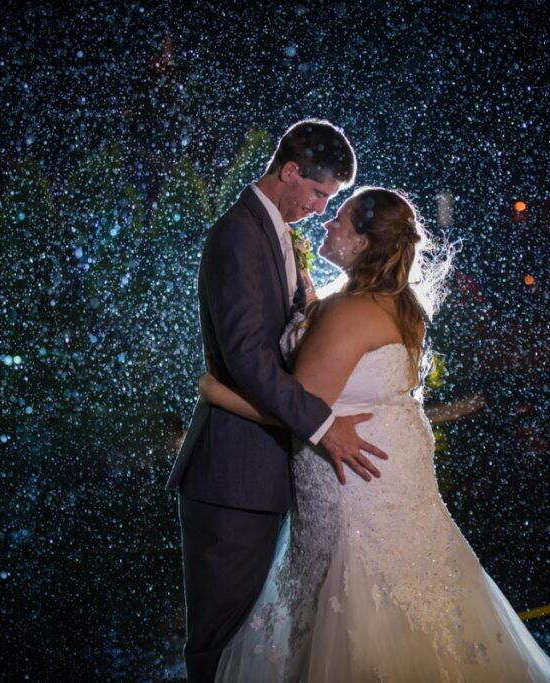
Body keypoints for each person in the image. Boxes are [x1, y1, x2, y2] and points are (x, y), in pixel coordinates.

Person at [200, 188, 550, 682]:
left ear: (362, 244)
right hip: (393, 478)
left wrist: (217, 394)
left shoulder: (347, 313)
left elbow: (300, 407)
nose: (328, 223)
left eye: (341, 219)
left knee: (354, 608)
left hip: (353, 476)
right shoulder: (401, 304)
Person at [166, 120, 389, 682]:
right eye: (318, 193)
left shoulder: (277, 235)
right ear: (289, 171)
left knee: (257, 643)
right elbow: (248, 358)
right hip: (232, 476)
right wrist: (324, 425)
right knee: (220, 643)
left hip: (267, 473)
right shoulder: (238, 235)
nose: (319, 209)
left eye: (329, 200)